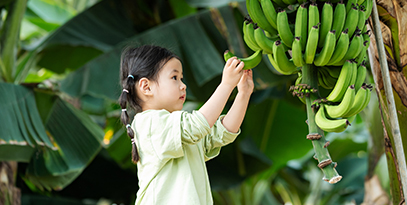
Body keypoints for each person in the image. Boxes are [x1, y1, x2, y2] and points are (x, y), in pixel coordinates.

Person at [118, 45, 254, 205]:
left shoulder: (176, 128)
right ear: (146, 87)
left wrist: (243, 94)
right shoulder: (148, 123)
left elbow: (222, 133)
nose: (183, 86)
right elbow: (197, 126)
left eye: (181, 78)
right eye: (175, 78)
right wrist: (226, 85)